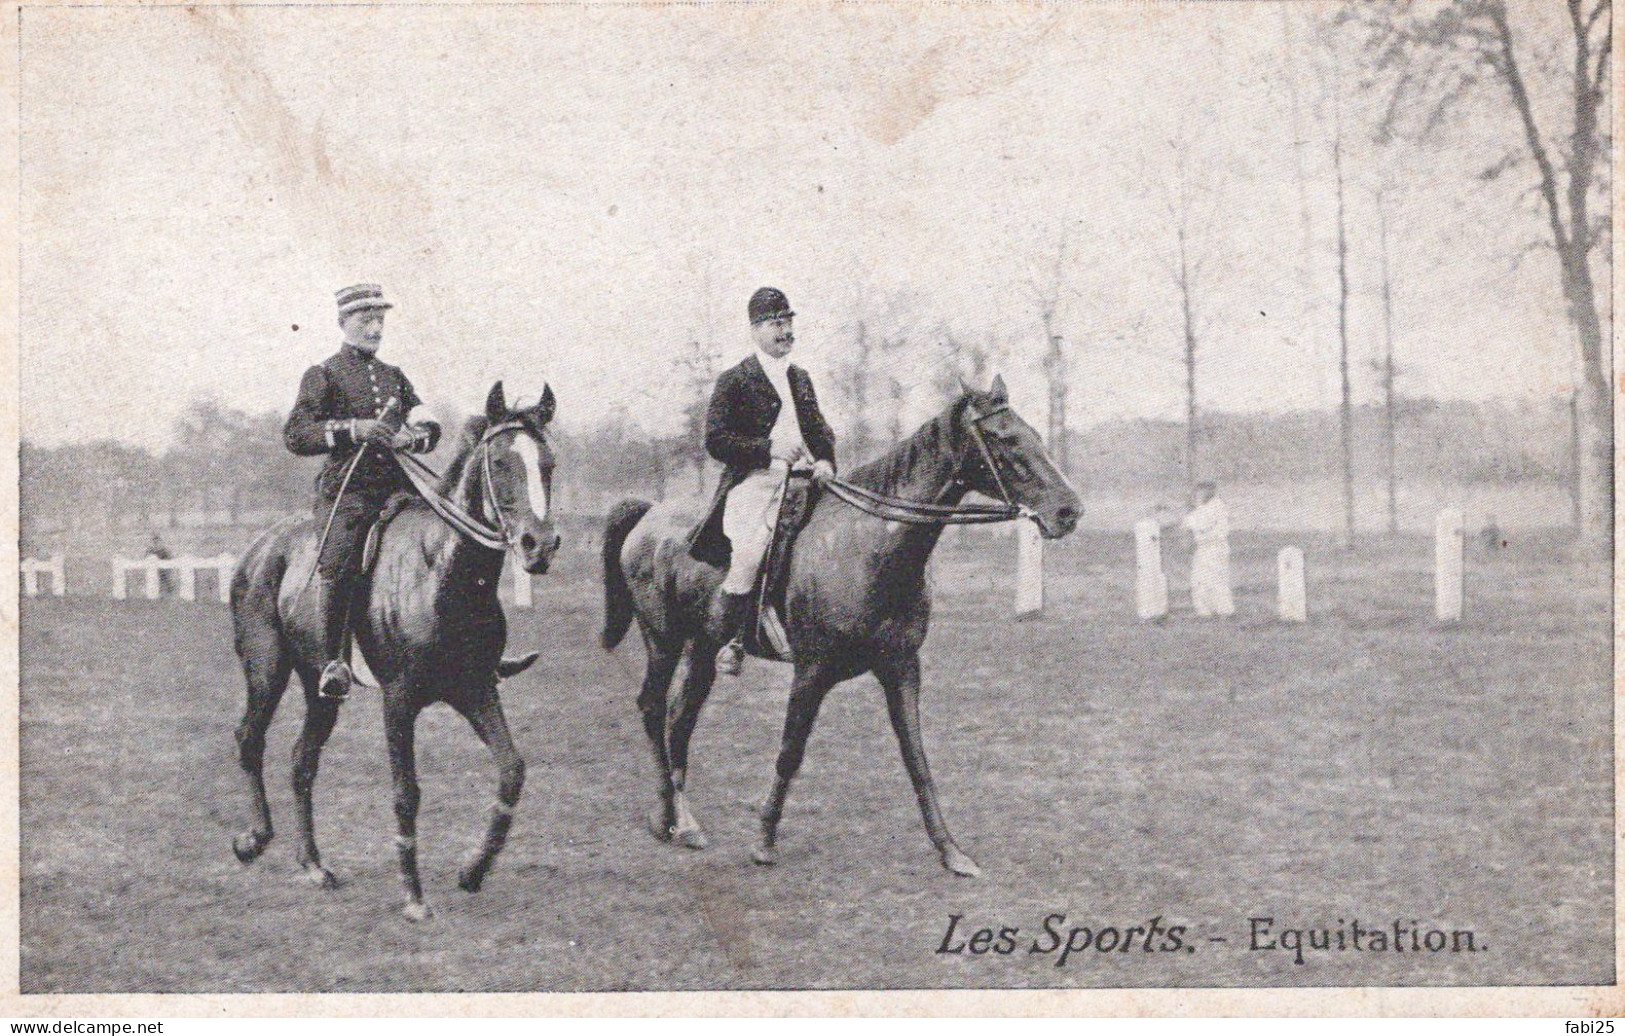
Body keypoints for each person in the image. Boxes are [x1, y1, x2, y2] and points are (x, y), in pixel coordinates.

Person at [283, 284, 441, 700]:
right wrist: (353, 429)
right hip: (348, 492)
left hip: (399, 488)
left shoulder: (394, 377)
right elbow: (297, 435)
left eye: (380, 321)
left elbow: (431, 425)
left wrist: (414, 437)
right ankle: (335, 661)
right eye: (365, 321)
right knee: (340, 558)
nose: (375, 329)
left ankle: (468, 649)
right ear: (343, 323)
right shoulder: (323, 374)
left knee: (448, 537)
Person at [688, 287, 836, 676]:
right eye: (776, 324)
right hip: (755, 481)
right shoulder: (734, 380)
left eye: (788, 322)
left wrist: (825, 460)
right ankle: (733, 638)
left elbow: (820, 431)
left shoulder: (801, 378)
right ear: (755, 330)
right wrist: (768, 448)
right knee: (752, 552)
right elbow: (716, 440)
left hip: (805, 482)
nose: (785, 331)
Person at [1181, 481, 1234, 618]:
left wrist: (1189, 511)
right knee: (1201, 579)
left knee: (1214, 578)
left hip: (1214, 547)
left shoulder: (1215, 506)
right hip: (1206, 548)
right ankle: (1206, 610)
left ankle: (1222, 610)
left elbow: (1196, 523)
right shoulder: (1208, 507)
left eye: (1199, 492)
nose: (1196, 495)